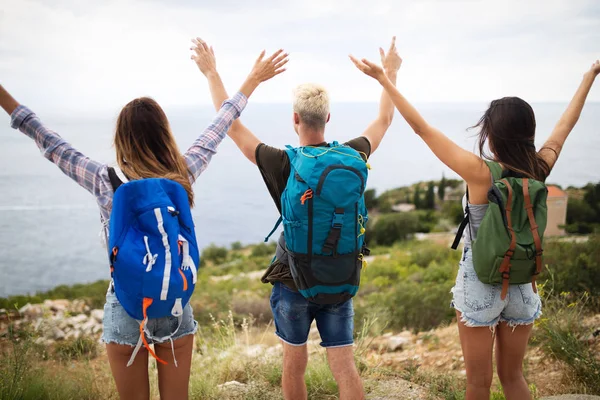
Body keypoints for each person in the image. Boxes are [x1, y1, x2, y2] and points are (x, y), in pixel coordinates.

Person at [0, 46, 286, 400]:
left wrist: (3, 95)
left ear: (122, 138)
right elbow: (220, 125)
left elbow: (49, 140)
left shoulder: (105, 180)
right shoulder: (180, 174)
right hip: (174, 301)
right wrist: (243, 79)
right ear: (164, 133)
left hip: (125, 305)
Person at [350, 51, 600, 399]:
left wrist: (385, 79)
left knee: (478, 384)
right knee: (514, 379)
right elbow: (565, 127)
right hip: (523, 283)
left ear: (492, 134)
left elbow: (422, 129)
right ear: (528, 133)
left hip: (481, 282)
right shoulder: (540, 168)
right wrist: (590, 76)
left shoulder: (480, 173)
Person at [191, 37, 401, 400]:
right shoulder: (353, 154)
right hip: (340, 276)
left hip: (293, 279)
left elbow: (232, 126)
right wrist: (391, 74)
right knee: (344, 366)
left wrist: (213, 73)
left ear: (295, 119)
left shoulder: (281, 163)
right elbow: (384, 119)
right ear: (328, 118)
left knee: (294, 362)